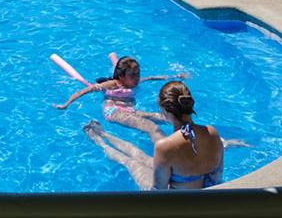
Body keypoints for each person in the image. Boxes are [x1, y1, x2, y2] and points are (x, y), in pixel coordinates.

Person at [83, 81, 224, 190]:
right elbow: (216, 177)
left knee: (130, 161)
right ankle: (104, 135)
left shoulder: (165, 146)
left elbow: (159, 191)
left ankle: (101, 140)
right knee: (144, 159)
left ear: (164, 110)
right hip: (206, 198)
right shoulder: (212, 132)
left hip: (178, 204)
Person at [55, 56, 187, 142]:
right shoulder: (113, 84)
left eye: (138, 74)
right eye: (132, 75)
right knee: (150, 127)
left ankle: (188, 137)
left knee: (165, 117)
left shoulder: (135, 81)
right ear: (121, 77)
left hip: (130, 111)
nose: (137, 78)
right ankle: (169, 156)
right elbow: (86, 90)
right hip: (113, 111)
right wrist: (66, 104)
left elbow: (152, 78)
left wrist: (175, 76)